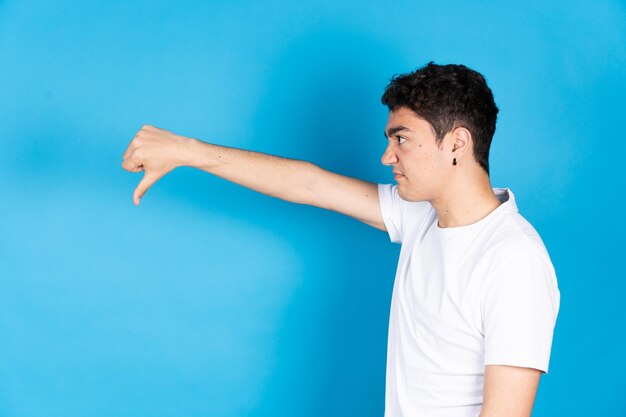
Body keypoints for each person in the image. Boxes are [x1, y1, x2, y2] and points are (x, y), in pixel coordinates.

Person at [121, 62, 560, 417]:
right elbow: (310, 184)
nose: (387, 156)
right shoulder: (422, 216)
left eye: (401, 139)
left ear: (457, 144)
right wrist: (188, 151)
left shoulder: (513, 258)